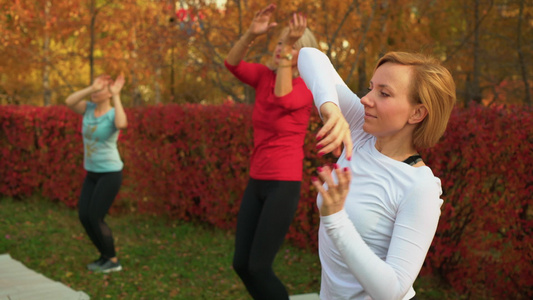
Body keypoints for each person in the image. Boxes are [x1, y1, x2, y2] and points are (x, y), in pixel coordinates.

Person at [298, 48, 456, 300]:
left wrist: (336, 219)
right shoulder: (361, 133)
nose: (365, 99)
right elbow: (309, 55)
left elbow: (392, 290)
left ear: (417, 113)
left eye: (383, 93)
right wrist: (330, 109)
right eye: (371, 87)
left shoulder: (420, 187)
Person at [224, 4, 319, 299]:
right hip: (257, 181)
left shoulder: (305, 87)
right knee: (241, 263)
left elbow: (283, 97)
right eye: (280, 42)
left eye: (290, 45)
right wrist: (251, 34)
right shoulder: (263, 76)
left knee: (259, 267)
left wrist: (289, 48)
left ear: (300, 54)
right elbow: (232, 63)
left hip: (283, 184)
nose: (281, 48)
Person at [65, 73, 128, 273]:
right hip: (91, 172)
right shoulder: (88, 109)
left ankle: (112, 260)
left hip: (110, 173)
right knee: (84, 216)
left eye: (101, 89)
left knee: (95, 216)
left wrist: (116, 95)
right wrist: (92, 88)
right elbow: (69, 101)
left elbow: (121, 124)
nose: (96, 91)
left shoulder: (112, 114)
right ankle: (105, 256)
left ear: (109, 94)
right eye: (95, 87)